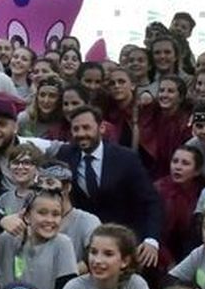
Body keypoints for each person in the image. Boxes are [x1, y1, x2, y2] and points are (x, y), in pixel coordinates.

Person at [57, 107, 162, 269]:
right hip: (83, 242)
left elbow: (151, 201)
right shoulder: (66, 155)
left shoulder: (125, 158)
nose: (80, 133)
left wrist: (151, 239)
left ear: (101, 128)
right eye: (75, 129)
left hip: (123, 240)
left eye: (86, 127)